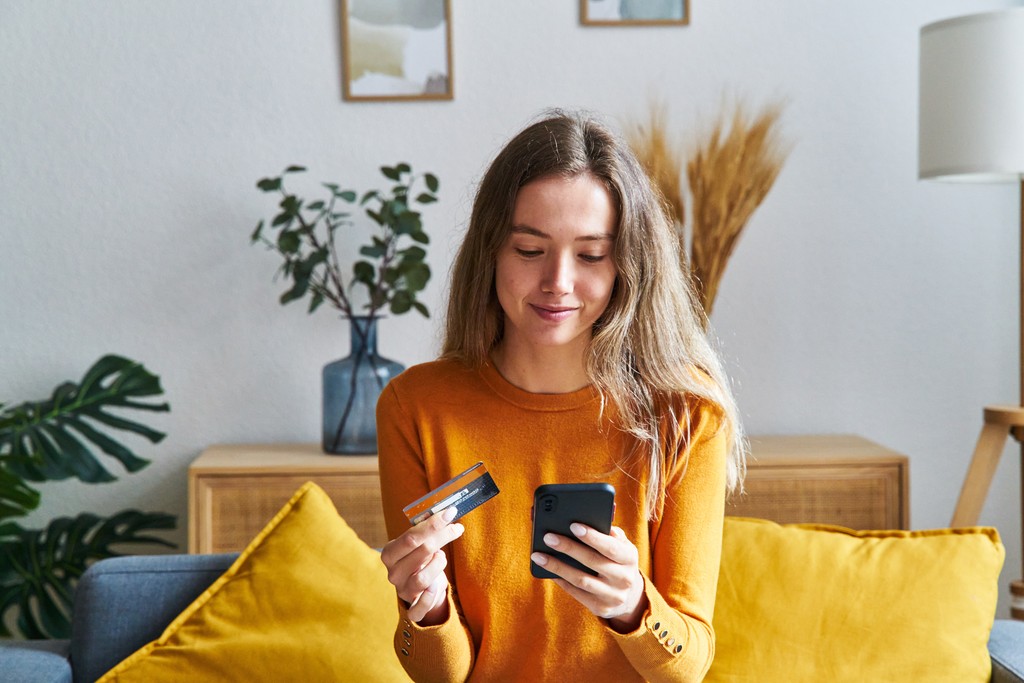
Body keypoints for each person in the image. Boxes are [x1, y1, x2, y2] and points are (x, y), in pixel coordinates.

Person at [376, 109, 746, 682]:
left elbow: (687, 666)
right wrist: (427, 607)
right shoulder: (416, 407)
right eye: (529, 250)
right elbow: (439, 676)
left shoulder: (687, 414)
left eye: (591, 255)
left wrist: (632, 607)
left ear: (628, 265)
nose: (559, 282)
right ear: (490, 253)